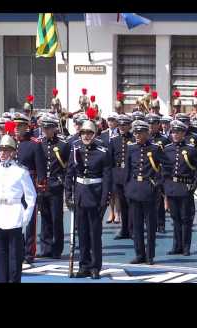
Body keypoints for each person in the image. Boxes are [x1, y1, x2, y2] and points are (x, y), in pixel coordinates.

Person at [0, 130, 36, 283]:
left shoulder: (21, 171)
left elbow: (31, 196)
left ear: (13, 152)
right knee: (0, 255)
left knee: (14, 257)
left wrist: (25, 218)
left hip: (14, 214)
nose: (3, 153)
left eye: (6, 150)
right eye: (1, 149)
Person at [65, 118, 112, 279]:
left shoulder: (103, 152)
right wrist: (68, 195)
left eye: (89, 133)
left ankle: (95, 267)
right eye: (83, 133)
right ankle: (83, 265)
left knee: (94, 234)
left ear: (94, 134)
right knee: (82, 233)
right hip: (80, 196)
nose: (86, 135)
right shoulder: (75, 149)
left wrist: (104, 200)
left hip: (95, 196)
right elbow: (70, 174)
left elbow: (107, 178)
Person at [124, 120, 170, 265]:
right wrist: (127, 187)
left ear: (146, 133)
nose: (136, 135)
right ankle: (139, 254)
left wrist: (158, 182)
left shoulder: (155, 149)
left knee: (150, 225)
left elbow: (167, 166)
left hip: (149, 190)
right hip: (134, 189)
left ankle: (150, 255)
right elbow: (127, 170)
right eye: (135, 132)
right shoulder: (131, 148)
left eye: (140, 133)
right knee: (136, 226)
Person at [163, 120, 197, 255]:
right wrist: (165, 185)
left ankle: (186, 247)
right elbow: (164, 169)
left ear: (183, 133)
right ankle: (176, 246)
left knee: (186, 218)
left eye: (177, 132)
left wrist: (194, 184)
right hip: (172, 187)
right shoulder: (167, 149)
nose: (174, 134)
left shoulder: (191, 150)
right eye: (173, 132)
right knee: (175, 218)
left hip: (185, 187)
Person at [12, 113, 46, 264]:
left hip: (29, 184)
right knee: (14, 218)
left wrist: (40, 186)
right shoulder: (10, 142)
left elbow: (40, 167)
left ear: (27, 127)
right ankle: (17, 249)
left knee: (29, 219)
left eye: (20, 126)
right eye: (15, 126)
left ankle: (29, 252)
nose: (17, 129)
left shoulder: (34, 143)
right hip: (12, 185)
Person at [36, 115, 70, 259]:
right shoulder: (39, 143)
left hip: (56, 184)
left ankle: (57, 249)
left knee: (56, 218)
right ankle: (45, 248)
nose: (46, 130)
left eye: (49, 127)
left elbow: (68, 166)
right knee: (45, 217)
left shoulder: (63, 144)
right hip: (43, 185)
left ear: (54, 128)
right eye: (44, 127)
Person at [110, 114, 135, 239]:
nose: (122, 127)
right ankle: (124, 229)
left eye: (124, 125)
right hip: (118, 174)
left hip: (130, 175)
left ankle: (132, 230)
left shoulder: (134, 139)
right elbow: (111, 159)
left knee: (131, 203)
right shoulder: (114, 140)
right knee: (122, 203)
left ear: (130, 125)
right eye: (120, 125)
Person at [147, 113, 171, 233]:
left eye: (154, 124)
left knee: (159, 199)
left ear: (158, 125)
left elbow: (167, 158)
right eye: (150, 123)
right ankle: (149, 223)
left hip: (159, 172)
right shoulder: (145, 139)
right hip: (147, 173)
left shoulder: (164, 140)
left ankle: (160, 224)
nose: (151, 126)